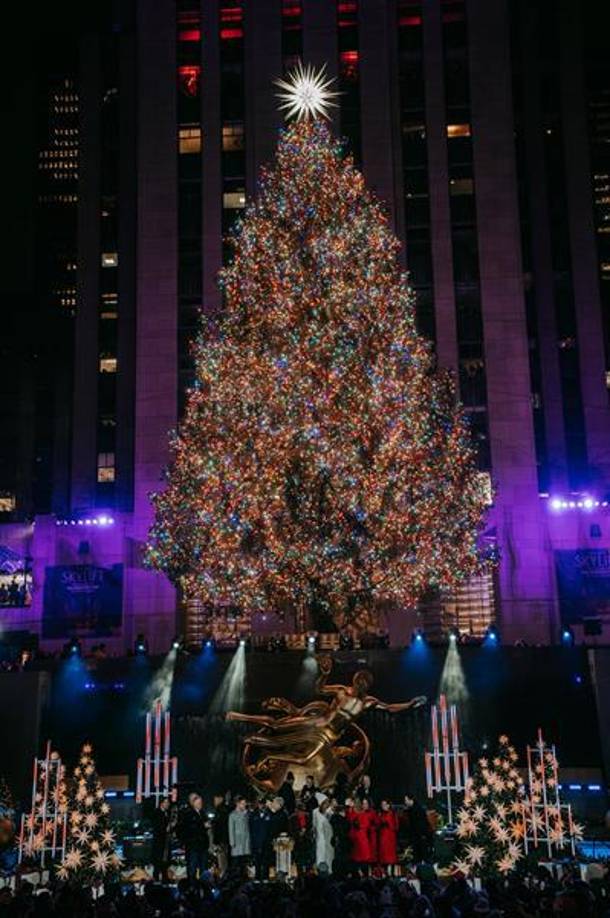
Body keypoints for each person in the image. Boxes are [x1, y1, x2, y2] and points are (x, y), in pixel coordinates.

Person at [177, 793, 210, 882]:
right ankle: (192, 886)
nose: (201, 805)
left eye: (201, 803)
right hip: (193, 845)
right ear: (193, 803)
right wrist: (203, 826)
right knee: (192, 867)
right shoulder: (188, 814)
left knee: (203, 867)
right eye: (199, 803)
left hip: (202, 845)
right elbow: (188, 828)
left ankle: (204, 886)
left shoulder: (202, 813)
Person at [402, 792, 433, 863]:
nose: (405, 802)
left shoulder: (417, 809)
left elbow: (421, 823)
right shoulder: (412, 809)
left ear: (411, 800)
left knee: (422, 854)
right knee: (418, 854)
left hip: (420, 835)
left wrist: (422, 834)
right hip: (417, 835)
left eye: (406, 800)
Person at [346, 798, 374, 871]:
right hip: (355, 840)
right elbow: (349, 818)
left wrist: (359, 825)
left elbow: (366, 825)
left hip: (361, 840)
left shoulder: (364, 814)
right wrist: (350, 808)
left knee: (363, 861)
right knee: (356, 861)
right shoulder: (353, 813)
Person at [249, 797, 271, 879]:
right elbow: (250, 829)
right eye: (260, 804)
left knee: (266, 861)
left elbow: (271, 829)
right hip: (256, 842)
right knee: (257, 861)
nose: (262, 805)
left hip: (266, 842)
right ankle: (257, 877)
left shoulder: (269, 814)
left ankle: (266, 877)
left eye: (263, 804)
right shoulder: (253, 815)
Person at [150, 798, 172, 882]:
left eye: (168, 802)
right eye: (166, 802)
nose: (167, 804)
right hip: (159, 841)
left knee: (165, 860)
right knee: (158, 860)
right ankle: (156, 878)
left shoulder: (167, 813)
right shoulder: (157, 813)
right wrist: (165, 829)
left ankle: (164, 877)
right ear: (161, 803)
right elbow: (157, 826)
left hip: (165, 841)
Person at [228, 796, 251, 873]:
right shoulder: (232, 815)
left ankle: (243, 876)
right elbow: (231, 829)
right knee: (236, 862)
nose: (244, 805)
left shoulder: (246, 814)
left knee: (244, 862)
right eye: (242, 803)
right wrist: (232, 842)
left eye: (245, 803)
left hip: (245, 841)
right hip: (237, 841)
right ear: (237, 804)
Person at [377, 799, 400, 874]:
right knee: (384, 857)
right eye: (382, 805)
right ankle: (385, 873)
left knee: (391, 857)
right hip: (383, 838)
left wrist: (388, 824)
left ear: (388, 805)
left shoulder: (393, 814)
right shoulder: (381, 814)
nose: (383, 806)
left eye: (384, 805)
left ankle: (392, 873)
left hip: (390, 838)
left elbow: (396, 826)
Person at [312, 796, 334, 872]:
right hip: (319, 837)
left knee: (329, 855)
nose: (326, 805)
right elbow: (314, 825)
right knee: (320, 854)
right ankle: (320, 871)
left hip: (329, 837)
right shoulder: (315, 812)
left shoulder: (330, 812)